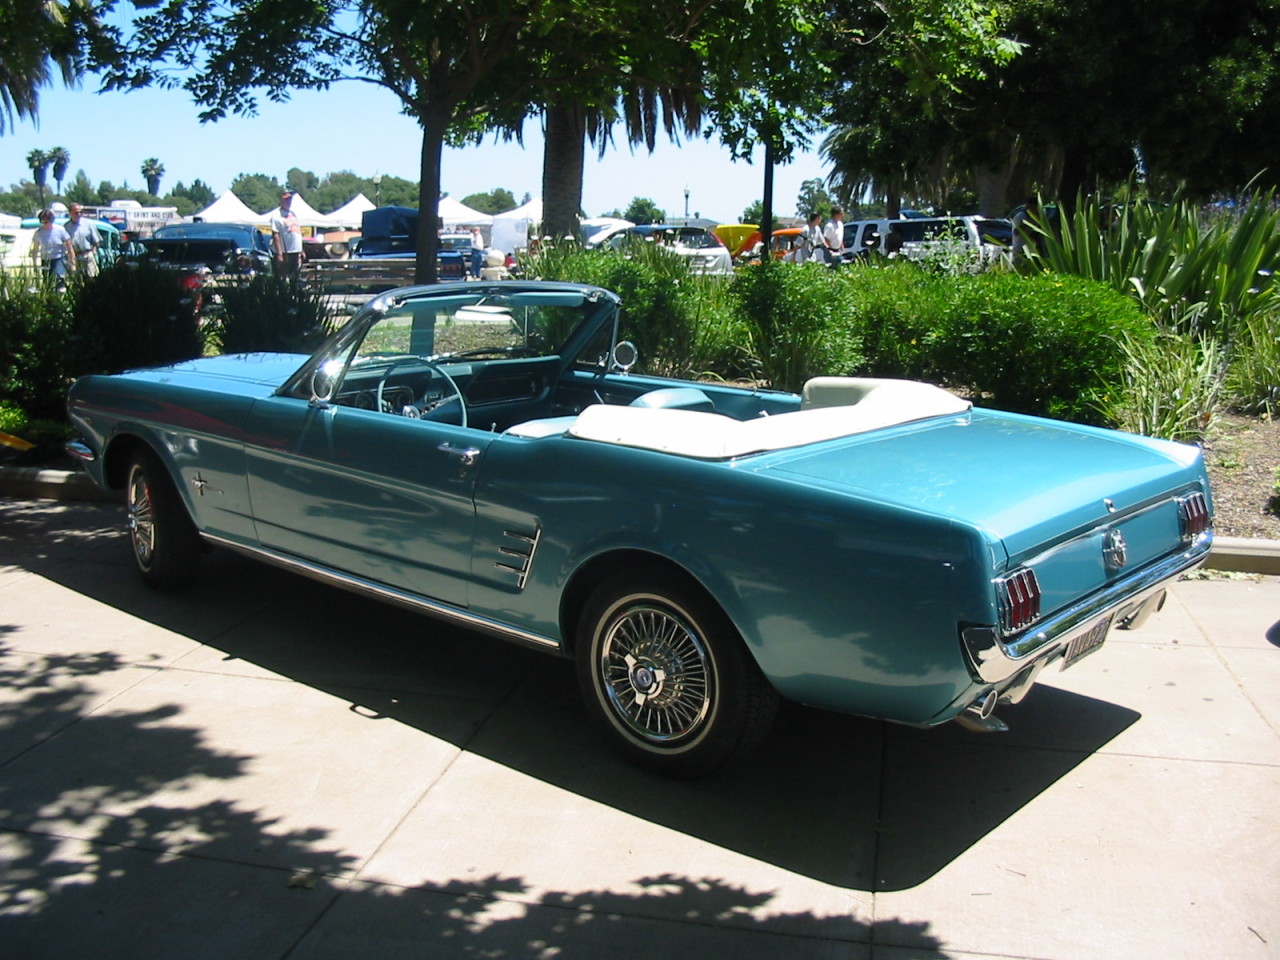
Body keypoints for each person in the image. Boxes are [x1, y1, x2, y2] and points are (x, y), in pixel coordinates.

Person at [30, 209, 75, 286]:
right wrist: (35, 264)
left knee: (59, 279)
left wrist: (72, 263)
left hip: (59, 258)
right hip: (45, 259)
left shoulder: (60, 230)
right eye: (43, 221)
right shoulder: (38, 232)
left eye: (47, 221)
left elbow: (69, 247)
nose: (45, 223)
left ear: (52, 220)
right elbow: (35, 249)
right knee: (48, 282)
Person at [269, 191, 304, 278]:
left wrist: (301, 250)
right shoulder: (276, 215)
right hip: (285, 252)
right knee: (283, 276)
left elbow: (297, 233)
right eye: (286, 200)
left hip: (295, 251)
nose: (288, 202)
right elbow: (275, 235)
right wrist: (279, 254)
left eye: (290, 199)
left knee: (295, 275)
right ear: (281, 200)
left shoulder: (293, 214)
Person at [66, 203, 101, 276]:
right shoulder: (66, 226)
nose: (79, 214)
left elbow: (97, 241)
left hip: (87, 254)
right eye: (76, 213)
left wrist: (93, 253)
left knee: (91, 277)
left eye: (80, 212)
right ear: (70, 212)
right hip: (74, 257)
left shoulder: (89, 223)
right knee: (77, 279)